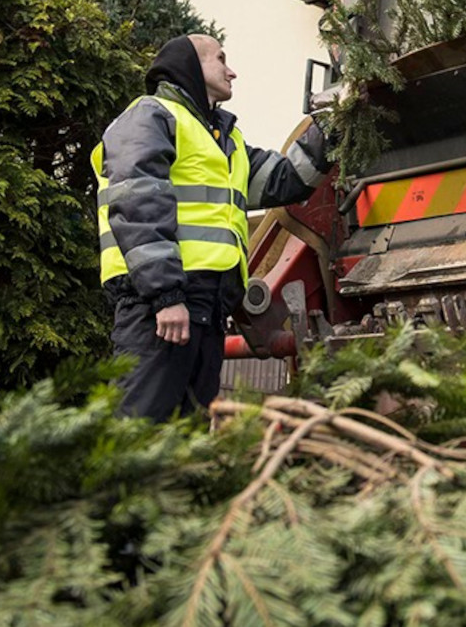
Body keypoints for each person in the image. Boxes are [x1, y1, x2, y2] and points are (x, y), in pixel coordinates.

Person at [92, 34, 332, 419]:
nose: (231, 70)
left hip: (205, 305)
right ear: (190, 65)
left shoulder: (225, 140)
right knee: (140, 431)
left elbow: (285, 179)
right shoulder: (151, 117)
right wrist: (166, 296)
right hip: (162, 304)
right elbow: (138, 204)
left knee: (187, 434)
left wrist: (332, 124)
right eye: (221, 59)